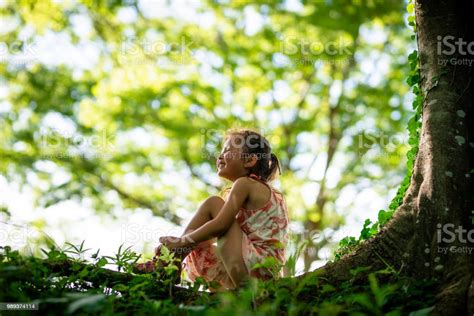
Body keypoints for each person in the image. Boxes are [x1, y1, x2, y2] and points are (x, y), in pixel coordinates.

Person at [134, 128, 289, 290]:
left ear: (250, 160)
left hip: (256, 270)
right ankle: (174, 262)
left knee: (213, 204)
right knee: (199, 238)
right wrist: (187, 242)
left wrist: (181, 242)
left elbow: (221, 225)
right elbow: (209, 234)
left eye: (228, 150)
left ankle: (171, 261)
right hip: (252, 273)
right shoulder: (254, 189)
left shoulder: (245, 184)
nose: (220, 156)